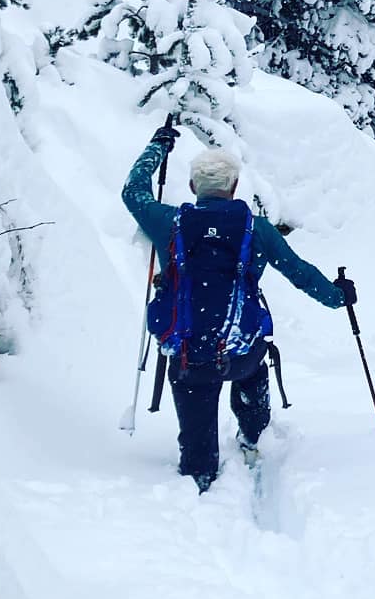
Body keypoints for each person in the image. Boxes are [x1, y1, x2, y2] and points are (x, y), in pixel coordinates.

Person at [123, 120, 355, 492]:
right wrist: (338, 296)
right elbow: (298, 272)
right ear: (233, 187)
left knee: (197, 453)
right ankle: (252, 433)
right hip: (241, 353)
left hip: (188, 358)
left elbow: (133, 191)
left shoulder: (169, 223)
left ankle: (199, 482)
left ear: (193, 186)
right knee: (254, 363)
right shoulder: (256, 229)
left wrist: (158, 147)